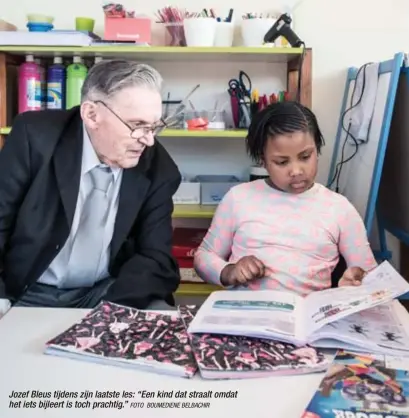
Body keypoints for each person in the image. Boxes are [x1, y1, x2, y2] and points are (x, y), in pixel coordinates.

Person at [0, 59, 182, 317]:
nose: (148, 140)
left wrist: (108, 311)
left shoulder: (157, 166)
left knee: (160, 325)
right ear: (91, 114)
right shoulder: (35, 137)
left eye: (154, 126)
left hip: (104, 292)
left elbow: (156, 257)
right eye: (137, 125)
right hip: (27, 289)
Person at [194, 101, 377, 294]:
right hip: (245, 315)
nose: (296, 171)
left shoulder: (339, 208)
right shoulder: (238, 198)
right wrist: (228, 271)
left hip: (307, 318)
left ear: (317, 149)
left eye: (305, 156)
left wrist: (357, 283)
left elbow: (369, 274)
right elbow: (203, 256)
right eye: (282, 162)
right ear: (263, 160)